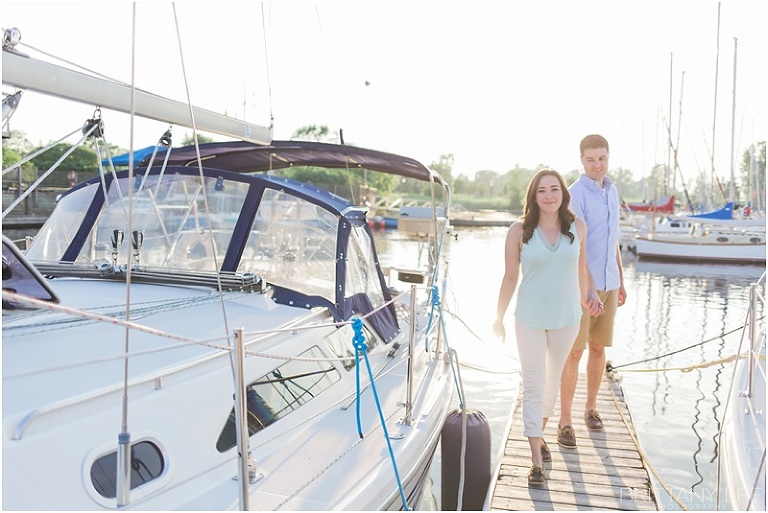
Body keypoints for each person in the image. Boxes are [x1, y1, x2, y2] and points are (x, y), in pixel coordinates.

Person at [493, 168, 602, 487]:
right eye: (542, 190)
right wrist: (497, 318)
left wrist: (590, 296)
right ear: (533, 196)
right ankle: (536, 460)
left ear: (563, 194)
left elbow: (581, 270)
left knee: (552, 385)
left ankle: (538, 436)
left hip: (567, 319)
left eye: (554, 189)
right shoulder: (518, 231)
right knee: (534, 383)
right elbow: (510, 277)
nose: (549, 195)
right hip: (528, 318)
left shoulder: (577, 228)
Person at [557, 134, 627, 450]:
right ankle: (566, 421)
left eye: (602, 158)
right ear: (582, 161)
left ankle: (591, 408)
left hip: (610, 283)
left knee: (599, 349)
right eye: (590, 159)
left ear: (608, 158)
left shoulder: (612, 191)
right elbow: (576, 245)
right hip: (581, 286)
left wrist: (621, 281)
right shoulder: (574, 195)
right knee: (575, 351)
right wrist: (588, 288)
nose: (597, 164)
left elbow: (613, 242)